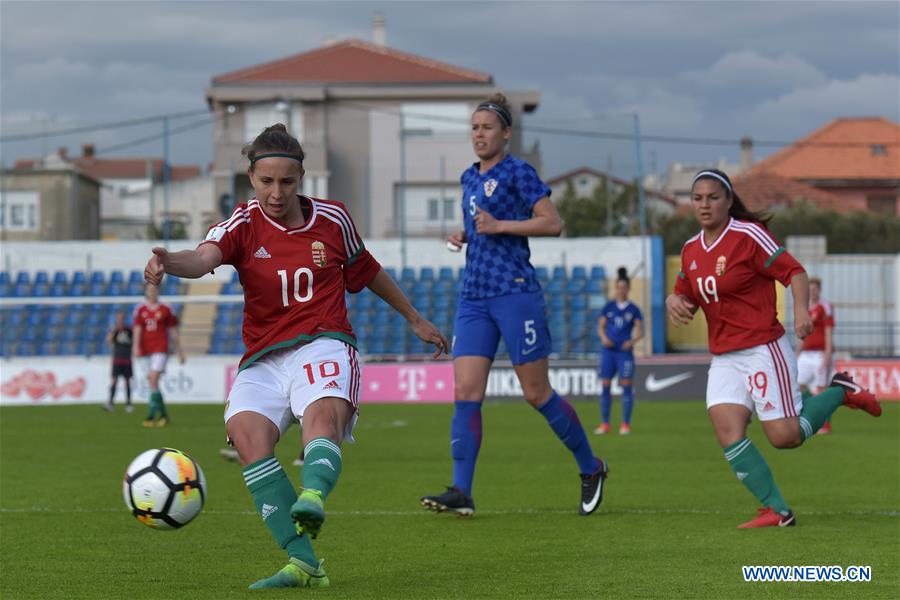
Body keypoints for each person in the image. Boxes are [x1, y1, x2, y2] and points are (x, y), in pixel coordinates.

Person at [143, 123, 448, 590]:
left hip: (324, 340)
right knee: (247, 438)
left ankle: (313, 495)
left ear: (302, 178)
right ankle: (304, 562)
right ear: (252, 178)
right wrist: (169, 262)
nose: (276, 192)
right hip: (263, 356)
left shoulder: (333, 219)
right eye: (267, 181)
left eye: (287, 181)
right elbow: (202, 259)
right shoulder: (242, 224)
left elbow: (367, 271)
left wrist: (414, 318)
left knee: (322, 415)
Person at [421, 93, 609, 518]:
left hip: (515, 292)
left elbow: (553, 222)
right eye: (474, 128)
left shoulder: (519, 171)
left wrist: (500, 225)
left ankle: (591, 467)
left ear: (506, 133)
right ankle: (461, 491)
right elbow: (481, 224)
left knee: (535, 392)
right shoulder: (469, 178)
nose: (479, 135)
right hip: (474, 296)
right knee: (466, 391)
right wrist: (466, 234)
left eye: (487, 128)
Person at [666, 168, 881, 528]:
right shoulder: (690, 249)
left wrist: (800, 311)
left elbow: (794, 272)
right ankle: (777, 510)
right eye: (697, 198)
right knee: (727, 431)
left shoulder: (748, 235)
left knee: (785, 437)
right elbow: (685, 294)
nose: (704, 205)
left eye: (713, 197)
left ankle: (839, 392)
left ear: (729, 200)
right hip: (724, 356)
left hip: (762, 347)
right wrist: (675, 299)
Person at [595, 267, 643, 435]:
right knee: (605, 384)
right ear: (616, 287)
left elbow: (640, 331)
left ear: (628, 288)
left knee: (626, 385)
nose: (621, 290)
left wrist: (632, 342)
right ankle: (605, 424)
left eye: (624, 287)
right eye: (618, 287)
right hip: (608, 351)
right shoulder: (608, 307)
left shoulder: (633, 309)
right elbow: (600, 327)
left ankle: (625, 424)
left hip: (624, 353)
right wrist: (603, 338)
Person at [132, 284, 184, 427]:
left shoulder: (166, 308)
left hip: (160, 349)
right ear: (146, 292)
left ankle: (150, 416)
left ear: (158, 291)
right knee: (152, 382)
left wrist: (179, 351)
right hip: (144, 350)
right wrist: (135, 347)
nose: (152, 292)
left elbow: (173, 330)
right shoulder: (140, 309)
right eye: (150, 290)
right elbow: (137, 329)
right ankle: (163, 415)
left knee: (153, 380)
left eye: (154, 290)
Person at [797, 277, 835, 434]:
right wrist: (798, 351)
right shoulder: (805, 308)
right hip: (806, 353)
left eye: (814, 289)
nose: (812, 291)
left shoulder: (825, 307)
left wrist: (828, 353)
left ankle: (824, 424)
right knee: (797, 387)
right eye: (810, 289)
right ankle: (800, 418)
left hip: (820, 354)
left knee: (821, 389)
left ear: (819, 290)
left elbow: (828, 331)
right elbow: (803, 333)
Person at [104, 310, 134, 412]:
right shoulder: (114, 330)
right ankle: (110, 403)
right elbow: (108, 341)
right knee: (114, 381)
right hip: (116, 360)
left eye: (122, 317)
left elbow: (134, 341)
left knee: (127, 382)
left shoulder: (129, 330)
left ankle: (129, 404)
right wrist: (113, 331)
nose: (120, 319)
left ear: (124, 318)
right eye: (119, 317)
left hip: (127, 360)